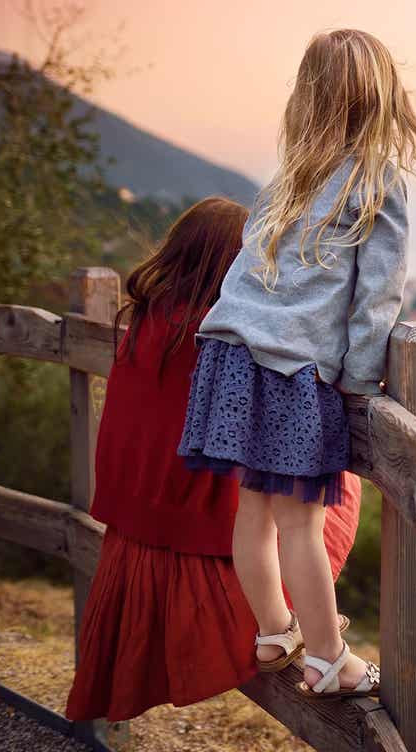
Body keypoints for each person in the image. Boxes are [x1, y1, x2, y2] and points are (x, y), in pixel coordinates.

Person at [178, 29, 416, 699]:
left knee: (253, 511)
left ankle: (276, 629)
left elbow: (250, 276)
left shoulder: (283, 182)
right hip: (291, 371)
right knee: (301, 522)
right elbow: (377, 298)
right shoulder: (377, 182)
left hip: (229, 356)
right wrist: (360, 385)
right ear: (382, 98)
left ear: (308, 97)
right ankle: (329, 659)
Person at [66, 197, 363, 723]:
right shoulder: (223, 335)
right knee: (324, 491)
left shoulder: (146, 320)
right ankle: (307, 628)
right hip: (204, 529)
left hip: (141, 515)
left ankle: (288, 626)